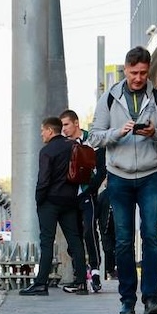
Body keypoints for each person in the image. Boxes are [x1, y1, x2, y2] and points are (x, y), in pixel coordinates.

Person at [89, 45, 157, 314]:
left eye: (142, 72)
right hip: (118, 176)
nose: (138, 78)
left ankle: (151, 298)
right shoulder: (109, 98)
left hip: (151, 175)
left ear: (148, 70)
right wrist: (118, 132)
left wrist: (155, 134)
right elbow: (94, 137)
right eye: (133, 72)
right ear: (125, 69)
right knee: (123, 240)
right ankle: (127, 299)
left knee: (151, 236)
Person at [19, 117, 87, 296]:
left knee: (47, 242)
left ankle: (41, 284)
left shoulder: (47, 151)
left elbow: (43, 179)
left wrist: (38, 199)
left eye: (43, 130)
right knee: (75, 240)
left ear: (50, 130)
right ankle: (81, 283)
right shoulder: (73, 145)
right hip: (70, 200)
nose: (41, 133)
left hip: (50, 201)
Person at [60, 109, 107, 292]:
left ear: (76, 123)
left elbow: (102, 169)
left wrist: (90, 190)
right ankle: (78, 274)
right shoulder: (63, 145)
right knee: (74, 234)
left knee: (89, 231)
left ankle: (95, 271)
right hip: (70, 197)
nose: (64, 129)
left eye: (66, 124)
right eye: (62, 125)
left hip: (88, 194)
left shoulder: (92, 141)